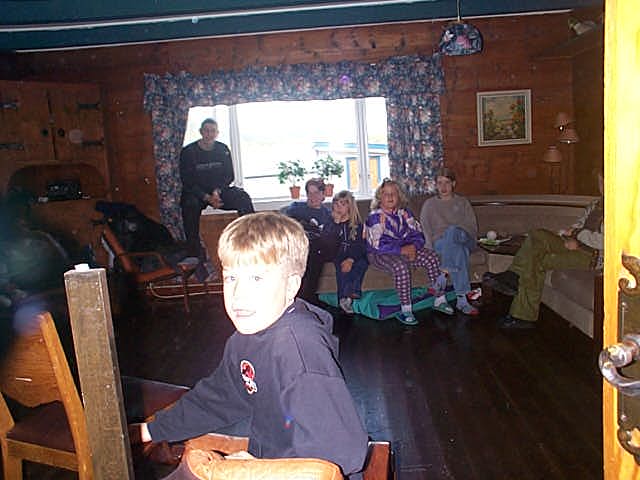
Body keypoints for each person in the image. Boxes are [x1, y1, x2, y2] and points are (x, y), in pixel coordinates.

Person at [131, 212, 368, 478]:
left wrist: (259, 471)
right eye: (231, 278)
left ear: (292, 286)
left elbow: (339, 453)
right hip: (266, 462)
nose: (238, 294)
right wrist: (150, 430)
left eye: (256, 279)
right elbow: (218, 399)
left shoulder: (299, 351)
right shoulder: (245, 338)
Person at [490, 170, 604, 329]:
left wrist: (577, 236)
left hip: (593, 257)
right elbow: (577, 225)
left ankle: (521, 309)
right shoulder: (595, 205)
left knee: (538, 257)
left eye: (605, 182)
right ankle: (515, 283)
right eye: (600, 182)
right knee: (537, 238)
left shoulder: (619, 210)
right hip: (575, 245)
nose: (602, 186)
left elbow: (604, 241)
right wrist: (570, 237)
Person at [365, 179, 453, 326]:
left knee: (431, 257)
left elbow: (418, 234)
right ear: (380, 197)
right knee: (401, 267)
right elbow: (377, 244)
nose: (390, 197)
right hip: (379, 254)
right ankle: (405, 309)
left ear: (399, 196)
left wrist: (413, 247)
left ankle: (439, 299)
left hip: (405, 250)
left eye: (394, 193)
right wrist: (402, 250)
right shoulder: (375, 217)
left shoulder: (405, 213)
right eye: (386, 194)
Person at [179, 118, 254, 258]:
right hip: (197, 193)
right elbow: (187, 181)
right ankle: (194, 252)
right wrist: (207, 197)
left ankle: (252, 239)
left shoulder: (222, 149)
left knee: (242, 197)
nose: (209, 134)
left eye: (212, 131)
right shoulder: (188, 152)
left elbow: (229, 175)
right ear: (201, 132)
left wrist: (217, 191)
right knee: (189, 205)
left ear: (217, 133)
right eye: (206, 130)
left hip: (218, 191)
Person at [420, 168, 479, 315]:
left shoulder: (462, 202)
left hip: (464, 238)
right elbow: (425, 229)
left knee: (452, 231)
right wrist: (429, 250)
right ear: (436, 185)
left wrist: (457, 232)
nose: (443, 187)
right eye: (440, 183)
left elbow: (472, 227)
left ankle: (443, 274)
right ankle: (462, 300)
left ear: (453, 184)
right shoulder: (429, 204)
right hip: (441, 243)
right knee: (459, 251)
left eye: (447, 182)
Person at [282, 178, 335, 302]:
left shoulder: (328, 214)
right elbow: (285, 224)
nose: (313, 197)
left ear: (323, 194)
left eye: (316, 193)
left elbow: (331, 237)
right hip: (300, 245)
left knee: (317, 248)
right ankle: (307, 299)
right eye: (310, 193)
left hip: (319, 249)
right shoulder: (296, 208)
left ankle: (307, 299)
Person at [324, 190, 368, 314]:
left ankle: (353, 292)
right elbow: (327, 241)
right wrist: (335, 224)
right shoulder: (330, 223)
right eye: (336, 204)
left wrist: (351, 259)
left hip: (354, 253)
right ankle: (342, 297)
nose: (338, 207)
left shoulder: (357, 225)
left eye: (342, 204)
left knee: (363, 263)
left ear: (350, 207)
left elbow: (360, 245)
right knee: (342, 269)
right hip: (338, 254)